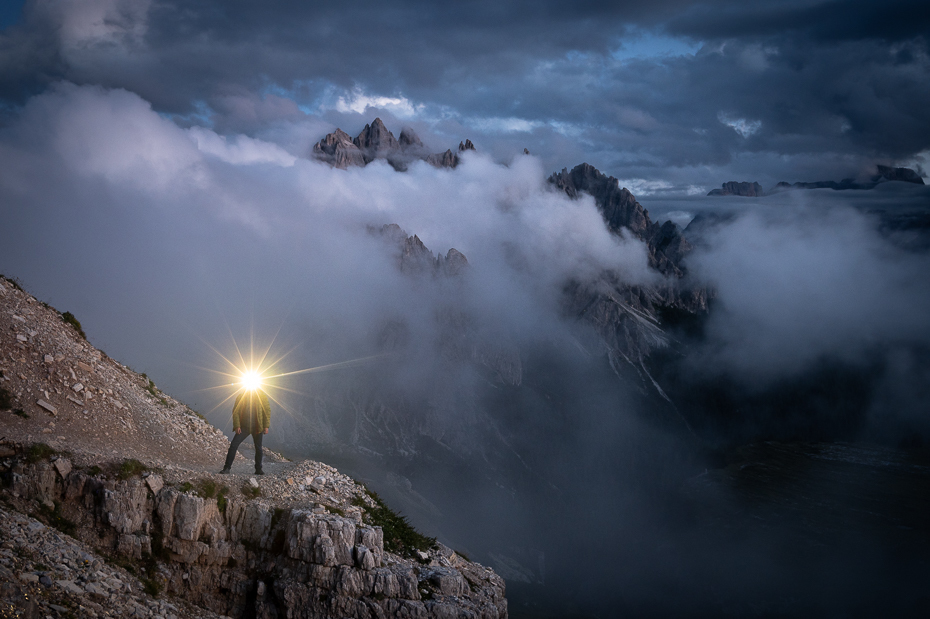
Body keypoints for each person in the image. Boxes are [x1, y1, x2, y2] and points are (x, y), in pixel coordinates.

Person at [219, 387, 270, 475]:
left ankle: (258, 469)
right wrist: (237, 425)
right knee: (233, 445)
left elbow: (267, 411)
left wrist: (266, 426)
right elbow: (236, 411)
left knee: (258, 448)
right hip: (244, 427)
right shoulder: (241, 396)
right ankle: (227, 468)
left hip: (257, 427)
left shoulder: (262, 396)